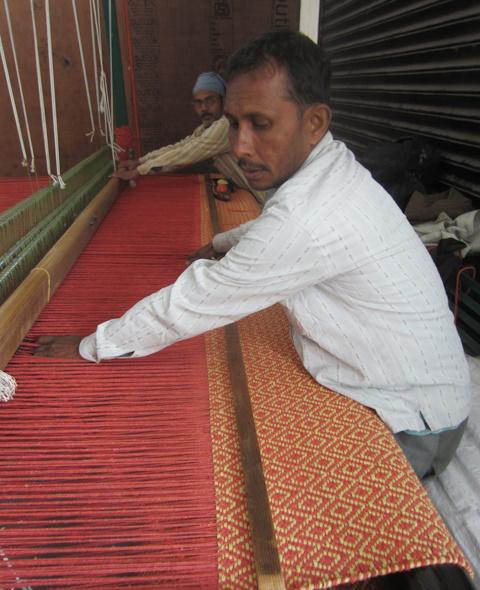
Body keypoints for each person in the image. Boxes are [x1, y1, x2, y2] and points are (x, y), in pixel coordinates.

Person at [35, 29, 470, 481]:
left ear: (315, 122)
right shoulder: (333, 171)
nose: (241, 147)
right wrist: (223, 242)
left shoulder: (308, 215)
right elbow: (276, 225)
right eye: (234, 123)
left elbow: (197, 300)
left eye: (261, 125)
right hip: (429, 391)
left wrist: (95, 346)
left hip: (417, 422)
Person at [110, 71, 266, 205]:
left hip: (266, 198)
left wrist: (138, 171)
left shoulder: (225, 126)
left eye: (210, 100)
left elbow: (186, 154)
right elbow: (180, 147)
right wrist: (140, 162)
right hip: (254, 195)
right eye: (198, 103)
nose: (204, 108)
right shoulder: (206, 129)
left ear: (223, 101)